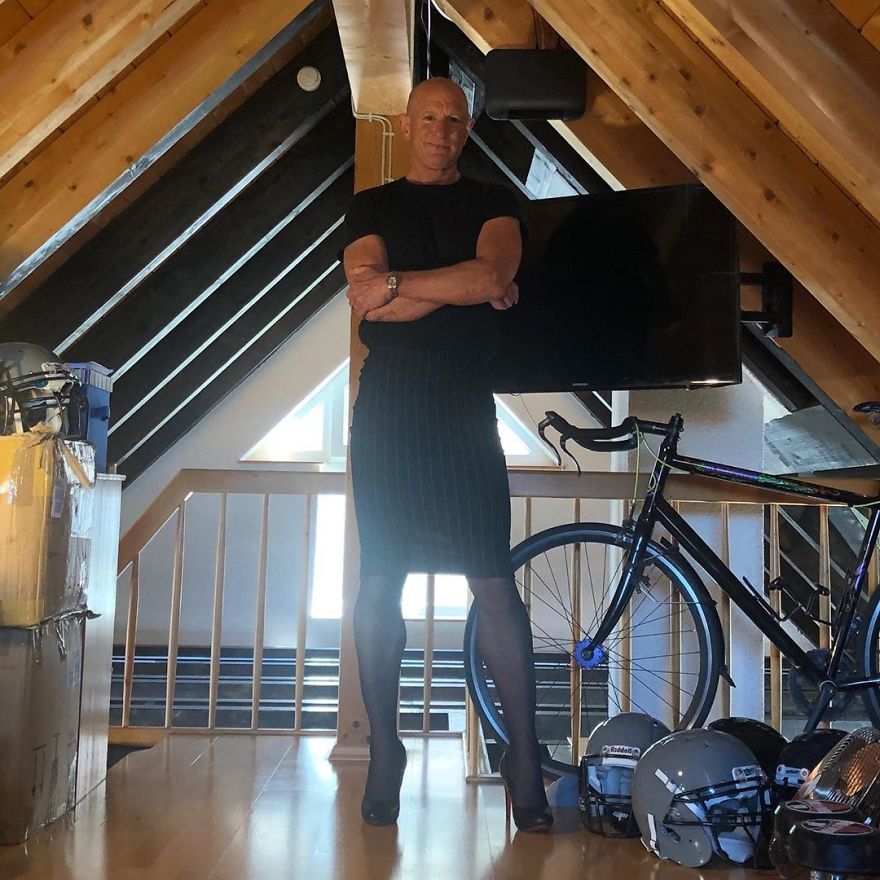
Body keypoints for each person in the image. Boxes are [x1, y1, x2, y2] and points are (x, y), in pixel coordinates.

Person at [341, 77, 551, 833]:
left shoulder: (494, 203)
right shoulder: (371, 206)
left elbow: (489, 274)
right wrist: (457, 288)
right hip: (389, 407)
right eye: (427, 117)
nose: (440, 128)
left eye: (454, 118)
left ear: (468, 127)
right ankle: (386, 751)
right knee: (379, 580)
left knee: (492, 580)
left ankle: (524, 756)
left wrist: (401, 285)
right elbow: (365, 298)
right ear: (406, 125)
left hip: (464, 406)